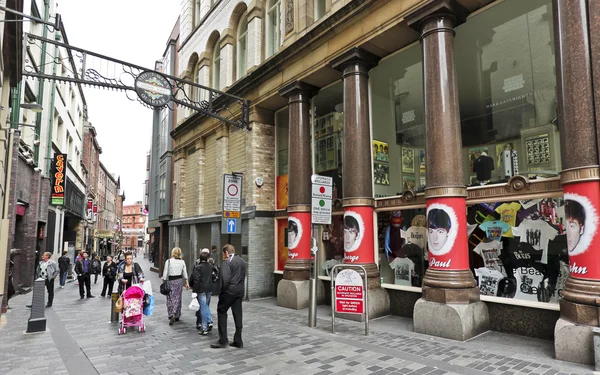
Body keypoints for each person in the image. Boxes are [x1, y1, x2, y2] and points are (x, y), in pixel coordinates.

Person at [211, 244, 246, 349]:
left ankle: (223, 340)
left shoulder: (226, 262)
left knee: (221, 311)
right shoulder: (242, 261)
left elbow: (225, 279)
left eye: (223, 253)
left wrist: (222, 292)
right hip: (239, 291)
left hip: (229, 292)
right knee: (238, 314)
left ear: (226, 252)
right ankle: (238, 340)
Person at [162, 247, 189, 325]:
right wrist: (186, 282)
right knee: (178, 298)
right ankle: (176, 314)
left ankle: (171, 314)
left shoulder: (169, 261)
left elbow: (165, 273)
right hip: (179, 281)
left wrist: (164, 280)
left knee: (170, 298)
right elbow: (185, 273)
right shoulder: (182, 262)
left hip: (170, 281)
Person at [190, 248, 214, 335]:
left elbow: (196, 280)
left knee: (203, 308)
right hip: (209, 289)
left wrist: (194, 292)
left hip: (201, 290)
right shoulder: (210, 267)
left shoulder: (198, 267)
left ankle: (204, 328)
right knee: (206, 306)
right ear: (208, 259)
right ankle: (209, 321)